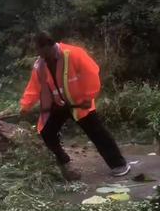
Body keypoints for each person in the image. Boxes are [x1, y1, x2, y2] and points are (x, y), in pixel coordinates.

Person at [20, 32, 130, 181]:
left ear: (47, 46)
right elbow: (34, 87)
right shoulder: (40, 65)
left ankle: (118, 165)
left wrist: (88, 97)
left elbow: (90, 73)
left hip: (79, 103)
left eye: (39, 50)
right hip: (59, 105)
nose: (38, 54)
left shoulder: (73, 54)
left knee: (97, 133)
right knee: (46, 132)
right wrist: (25, 106)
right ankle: (64, 161)